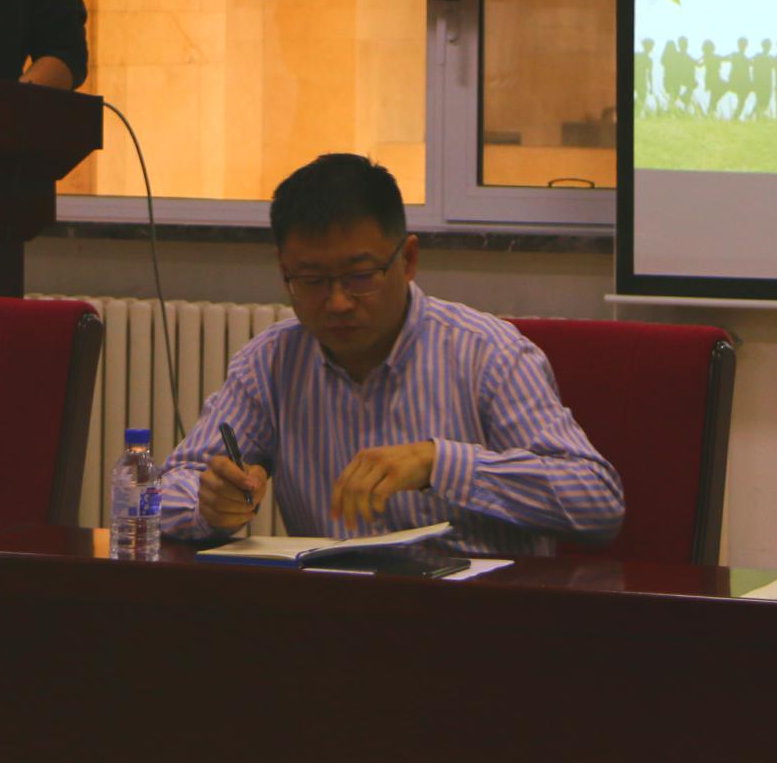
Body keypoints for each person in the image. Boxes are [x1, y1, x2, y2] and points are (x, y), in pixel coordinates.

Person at [155, 154, 623, 555]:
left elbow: (597, 501)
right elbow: (163, 489)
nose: (338, 302)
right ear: (284, 273)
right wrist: (208, 504)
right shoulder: (270, 364)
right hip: (333, 612)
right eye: (312, 281)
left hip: (477, 615)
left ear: (409, 260)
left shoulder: (489, 355)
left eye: (361, 276)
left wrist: (439, 463)